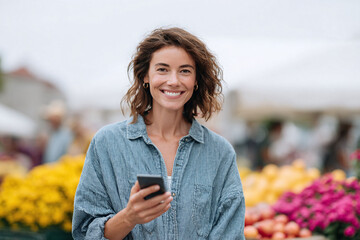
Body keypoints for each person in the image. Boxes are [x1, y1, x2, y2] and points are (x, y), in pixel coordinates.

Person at [72, 27, 245, 239]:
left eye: (185, 71)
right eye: (162, 69)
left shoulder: (220, 152)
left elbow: (230, 233)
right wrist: (129, 217)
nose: (173, 81)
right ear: (145, 75)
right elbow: (84, 231)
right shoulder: (107, 143)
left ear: (196, 80)